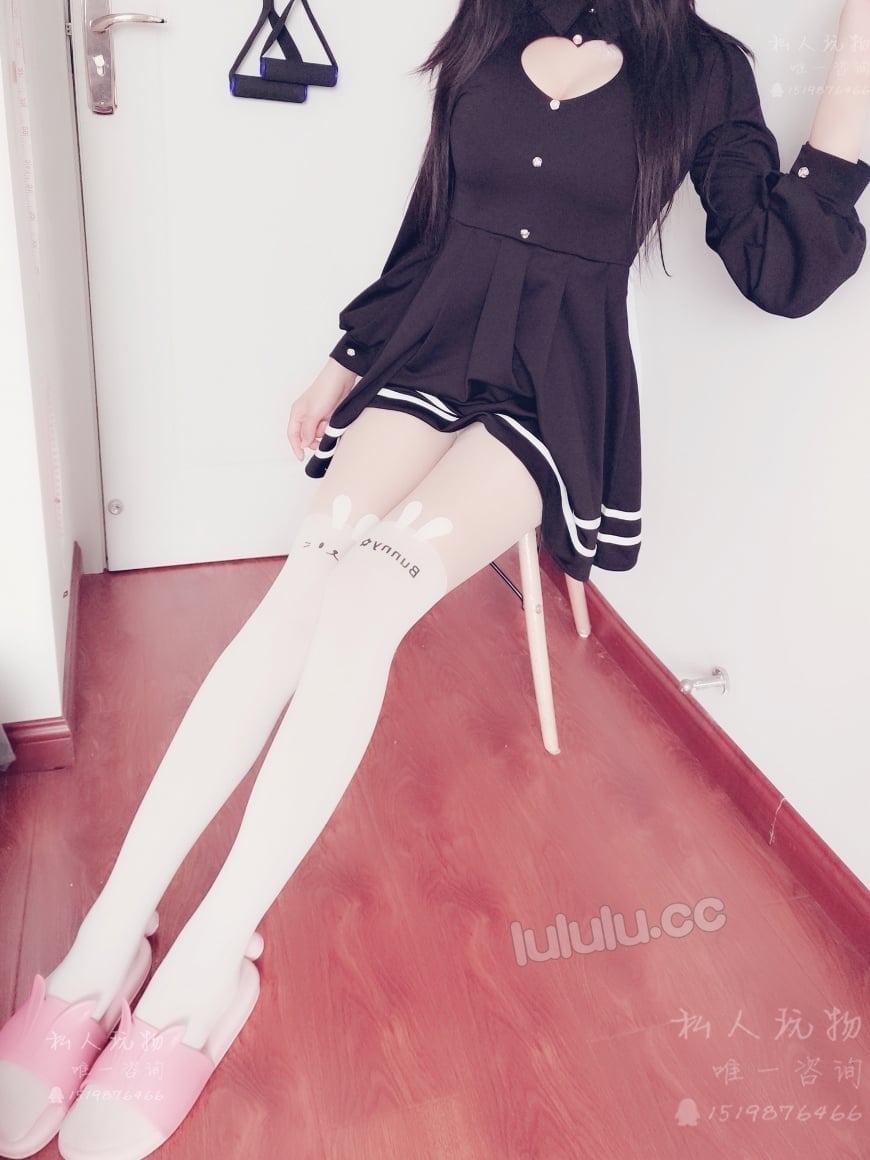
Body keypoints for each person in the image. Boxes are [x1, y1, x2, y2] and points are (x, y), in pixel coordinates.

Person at [1, 1, 868, 1157]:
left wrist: (857, 55)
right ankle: (105, 943)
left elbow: (778, 268)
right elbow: (437, 215)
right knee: (305, 584)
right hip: (430, 351)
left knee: (368, 593)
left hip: (551, 395)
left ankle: (206, 963)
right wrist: (346, 355)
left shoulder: (702, 70)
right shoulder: (492, 21)